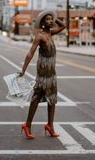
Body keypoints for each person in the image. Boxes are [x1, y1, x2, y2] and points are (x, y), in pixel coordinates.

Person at [18, 10, 66, 139]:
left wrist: (54, 17)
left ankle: (50, 125)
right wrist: (23, 70)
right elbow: (30, 53)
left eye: (51, 19)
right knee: (36, 99)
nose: (51, 21)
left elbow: (63, 26)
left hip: (52, 73)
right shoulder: (40, 36)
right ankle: (27, 125)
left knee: (52, 99)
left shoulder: (51, 32)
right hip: (43, 74)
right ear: (43, 23)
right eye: (48, 19)